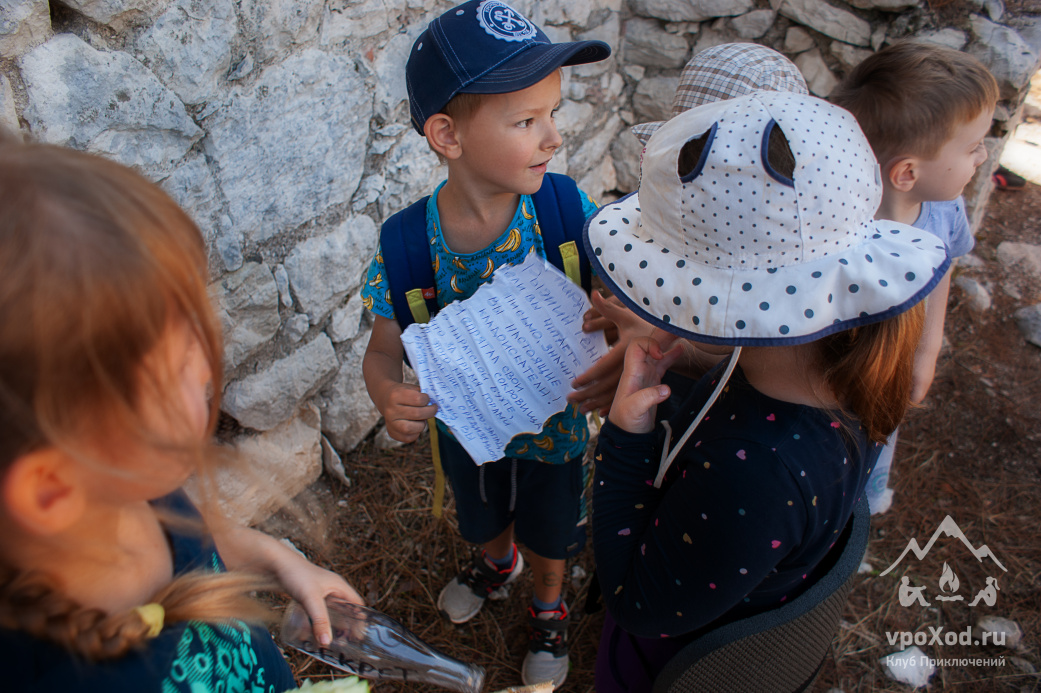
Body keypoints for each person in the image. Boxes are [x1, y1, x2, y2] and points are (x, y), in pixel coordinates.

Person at [584, 91, 950, 692]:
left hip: (672, 662)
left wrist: (626, 438)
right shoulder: (845, 370)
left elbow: (636, 603)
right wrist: (698, 357)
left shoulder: (750, 470)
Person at [0, 138, 364, 691]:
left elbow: (195, 536)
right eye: (175, 372)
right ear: (51, 488)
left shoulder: (128, 495)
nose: (207, 365)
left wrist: (279, 561)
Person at [360, 2, 610, 688]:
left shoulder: (563, 214)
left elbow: (610, 309)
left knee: (552, 531)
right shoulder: (408, 247)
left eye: (552, 114)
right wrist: (387, 393)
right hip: (466, 436)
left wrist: (614, 340)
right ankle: (495, 562)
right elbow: (382, 351)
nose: (552, 137)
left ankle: (548, 604)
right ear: (447, 134)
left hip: (557, 430)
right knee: (482, 515)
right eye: (527, 121)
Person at [831, 42, 999, 514]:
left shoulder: (945, 208)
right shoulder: (838, 229)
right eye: (973, 147)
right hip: (829, 377)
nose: (983, 158)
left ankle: (859, 507)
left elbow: (941, 268)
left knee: (876, 437)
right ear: (907, 172)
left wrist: (927, 349)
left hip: (893, 368)